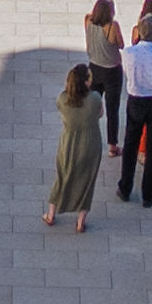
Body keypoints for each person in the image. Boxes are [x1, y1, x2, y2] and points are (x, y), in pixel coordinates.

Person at [117, 26, 152, 206]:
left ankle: (125, 187)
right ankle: (148, 193)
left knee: (130, 144)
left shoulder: (128, 52)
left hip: (135, 100)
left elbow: (126, 73)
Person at [45, 63, 104, 233]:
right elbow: (100, 114)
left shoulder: (62, 100)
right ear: (86, 82)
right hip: (90, 143)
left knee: (62, 176)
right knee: (87, 180)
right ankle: (80, 222)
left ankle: (51, 214)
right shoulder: (95, 99)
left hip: (69, 143)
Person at [83, 0, 126, 151]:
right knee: (112, 108)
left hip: (94, 67)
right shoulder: (112, 26)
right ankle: (112, 145)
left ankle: (87, 139)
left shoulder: (88, 20)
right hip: (112, 70)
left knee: (91, 105)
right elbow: (121, 44)